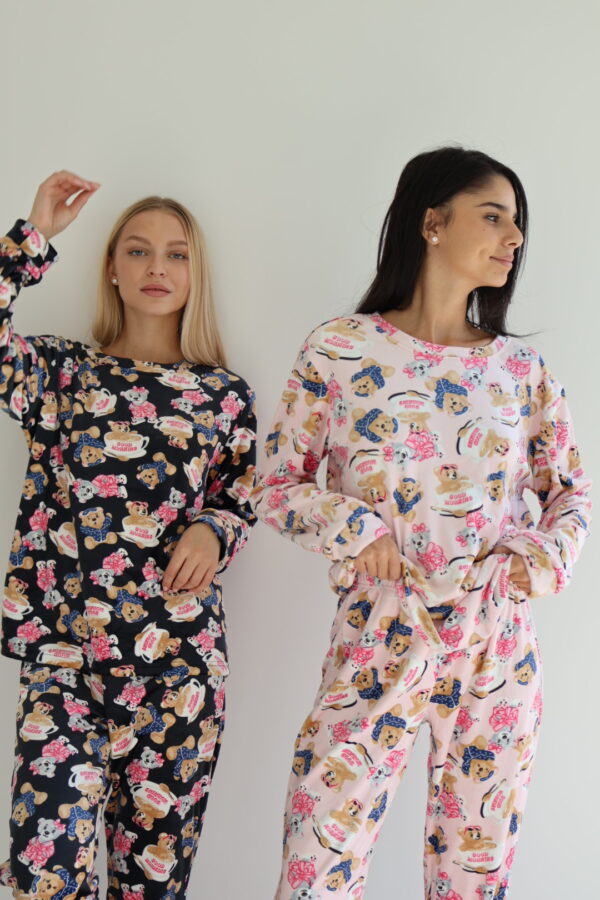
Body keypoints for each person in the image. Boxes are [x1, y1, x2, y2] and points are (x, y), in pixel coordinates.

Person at [251, 146, 592, 898]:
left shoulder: (521, 372)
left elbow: (571, 494)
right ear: (432, 222)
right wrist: (358, 530)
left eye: (518, 223)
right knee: (318, 861)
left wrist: (531, 558)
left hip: (495, 643)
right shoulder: (341, 350)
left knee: (473, 877)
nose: (515, 238)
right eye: (494, 216)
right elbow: (276, 484)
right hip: (379, 630)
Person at [0, 171, 257, 899]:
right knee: (42, 875)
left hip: (178, 670)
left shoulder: (224, 396)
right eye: (137, 251)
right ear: (112, 268)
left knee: (153, 885)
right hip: (67, 662)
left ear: (194, 274)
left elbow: (243, 496)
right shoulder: (62, 375)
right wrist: (33, 236)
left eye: (176, 254)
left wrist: (213, 530)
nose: (156, 267)